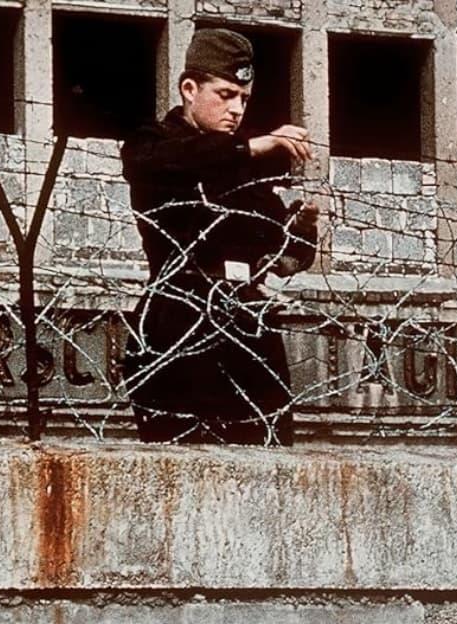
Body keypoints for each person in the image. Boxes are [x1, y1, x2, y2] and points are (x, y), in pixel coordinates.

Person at [120, 28, 319, 445]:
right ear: (189, 89)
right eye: (225, 94)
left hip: (246, 329)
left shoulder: (243, 164)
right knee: (179, 469)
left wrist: (301, 232)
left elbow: (282, 256)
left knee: (269, 464)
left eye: (243, 99)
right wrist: (252, 149)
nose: (236, 109)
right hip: (178, 324)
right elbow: (167, 164)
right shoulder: (153, 145)